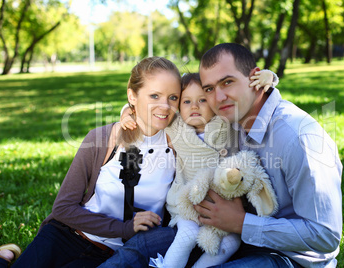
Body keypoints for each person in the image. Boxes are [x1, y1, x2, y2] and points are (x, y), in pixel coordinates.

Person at [0, 56, 182, 267]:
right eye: (154, 95)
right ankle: (3, 258)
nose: (165, 106)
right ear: (132, 95)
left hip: (112, 256)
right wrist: (124, 228)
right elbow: (63, 208)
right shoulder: (101, 139)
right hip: (66, 237)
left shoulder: (178, 148)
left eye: (173, 97)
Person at [105, 70, 278, 268]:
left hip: (222, 205)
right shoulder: (176, 126)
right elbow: (142, 107)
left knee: (231, 243)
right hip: (187, 203)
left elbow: (250, 102)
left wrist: (269, 79)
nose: (194, 106)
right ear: (178, 106)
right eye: (186, 102)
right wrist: (127, 114)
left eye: (202, 100)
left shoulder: (226, 123)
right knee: (187, 235)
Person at [194, 43, 343, 267]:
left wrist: (242, 223)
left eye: (227, 82)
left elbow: (325, 234)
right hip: (236, 239)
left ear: (256, 79)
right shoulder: (232, 123)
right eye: (209, 89)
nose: (218, 97)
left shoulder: (299, 138)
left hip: (291, 258)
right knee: (148, 246)